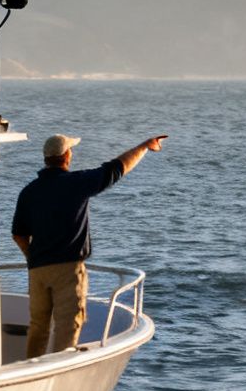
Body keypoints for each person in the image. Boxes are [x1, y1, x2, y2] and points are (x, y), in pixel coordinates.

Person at [11, 132, 165, 359]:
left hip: (37, 271)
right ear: (66, 156)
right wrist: (144, 146)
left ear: (46, 159)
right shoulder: (76, 183)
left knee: (38, 327)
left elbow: (18, 234)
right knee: (68, 325)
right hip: (67, 270)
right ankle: (59, 372)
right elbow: (117, 168)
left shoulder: (29, 192)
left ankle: (30, 366)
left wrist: (32, 257)